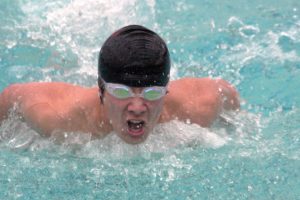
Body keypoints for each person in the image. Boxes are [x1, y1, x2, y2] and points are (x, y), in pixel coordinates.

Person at [0, 25, 240, 144]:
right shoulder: (57, 116)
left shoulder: (197, 107)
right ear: (101, 90)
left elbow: (226, 92)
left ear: (166, 91)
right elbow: (10, 96)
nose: (137, 107)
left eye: (152, 93)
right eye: (122, 92)